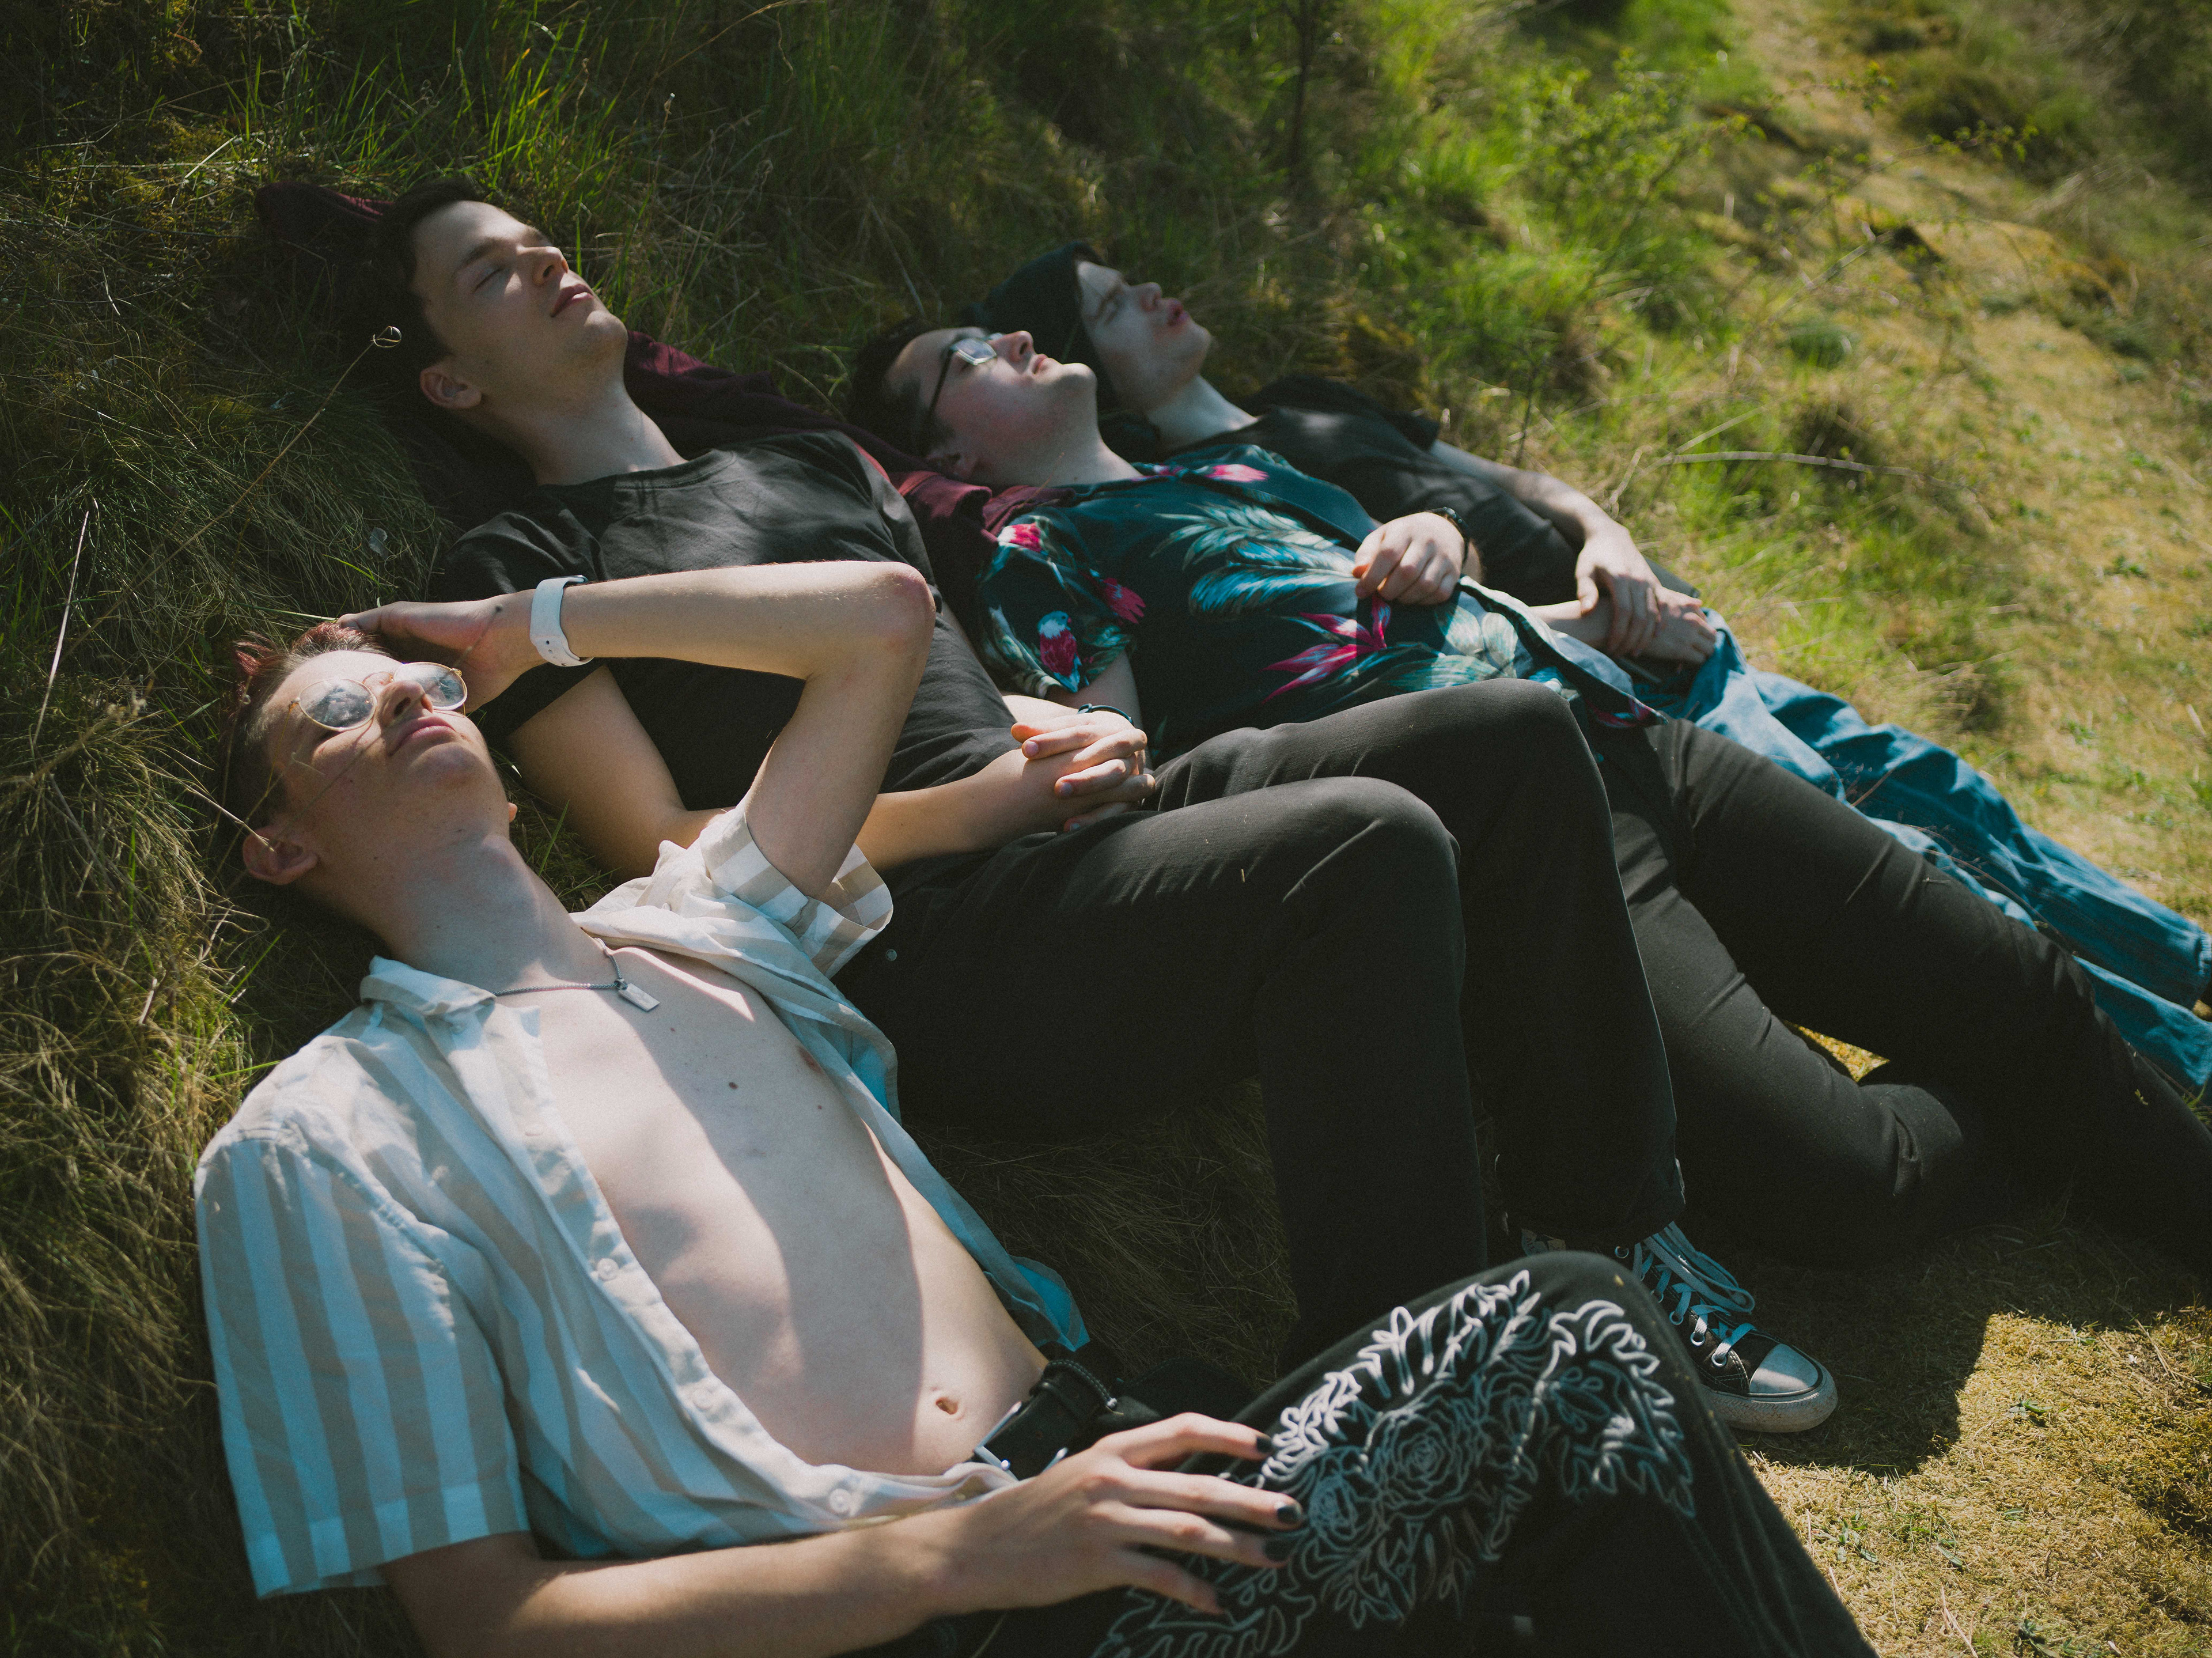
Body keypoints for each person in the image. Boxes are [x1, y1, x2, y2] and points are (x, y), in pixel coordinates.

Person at [351, 175, 1835, 1429]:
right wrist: (979, 810)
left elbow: (949, 676)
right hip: (920, 935)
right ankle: (1415, 1400)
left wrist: (1059, 733)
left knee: (1505, 735)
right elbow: (668, 849)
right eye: (491, 273)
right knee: (1364, 847)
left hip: (1057, 828)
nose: (547, 261)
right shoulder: (520, 568)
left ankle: (1607, 1224)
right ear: (451, 382)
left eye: (539, 239)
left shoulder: (798, 459)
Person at [195, 579, 1880, 1655]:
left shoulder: (699, 933)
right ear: (279, 846)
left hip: (1136, 1472)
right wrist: (966, 1557)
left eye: (421, 678)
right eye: (339, 710)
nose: (407, 696)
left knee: (1557, 1532)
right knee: (1563, 1334)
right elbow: (486, 1617)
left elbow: (876, 616)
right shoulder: (321, 1141)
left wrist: (534, 621)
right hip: (953, 1611)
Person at [849, 317, 2212, 1284]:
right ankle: (2034, 1104)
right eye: (964, 358)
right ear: (953, 453)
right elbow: (1132, 764)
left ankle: (2092, 1113)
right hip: (1541, 836)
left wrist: (1447, 539)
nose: (1011, 337)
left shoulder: (1241, 463)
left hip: (1632, 732)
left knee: (2025, 980)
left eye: (996, 328)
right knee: (1851, 1181)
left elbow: (1427, 604)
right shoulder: (1037, 545)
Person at [949, 244, 2212, 1093]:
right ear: (1091, 370)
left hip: (1660, 636)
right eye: (1113, 306)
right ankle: (2151, 1064)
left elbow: (1517, 486)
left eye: (1137, 280)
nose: (1155, 295)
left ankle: (2189, 969)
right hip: (1600, 679)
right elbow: (1401, 648)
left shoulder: (1300, 413)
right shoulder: (1192, 510)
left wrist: (1615, 545)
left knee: (1951, 791)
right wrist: (1599, 625)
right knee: (1916, 857)